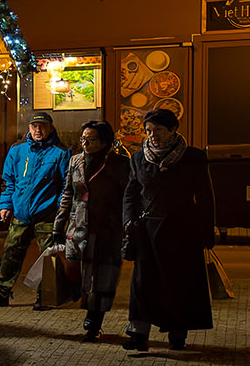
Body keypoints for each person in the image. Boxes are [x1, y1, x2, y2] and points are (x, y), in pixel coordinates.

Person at [121, 108, 215, 351]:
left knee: (178, 282)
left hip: (181, 230)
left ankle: (177, 333)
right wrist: (129, 221)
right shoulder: (139, 158)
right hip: (147, 230)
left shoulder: (192, 157)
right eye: (149, 131)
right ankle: (138, 333)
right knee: (142, 282)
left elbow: (205, 195)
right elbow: (131, 194)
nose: (153, 135)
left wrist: (206, 231)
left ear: (173, 129)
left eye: (159, 130)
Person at [0, 110, 72, 308]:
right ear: (29, 128)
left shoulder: (61, 152)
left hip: (47, 214)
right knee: (11, 251)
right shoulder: (17, 150)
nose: (38, 130)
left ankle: (46, 295)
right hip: (21, 212)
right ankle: (1, 292)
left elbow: (66, 186)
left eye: (42, 126)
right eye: (34, 126)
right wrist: (6, 205)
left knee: (48, 257)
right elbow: (9, 182)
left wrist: (59, 211)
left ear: (50, 128)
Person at [53, 121, 129, 342]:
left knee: (102, 277)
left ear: (104, 141)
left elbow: (127, 196)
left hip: (108, 227)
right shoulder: (75, 161)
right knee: (78, 272)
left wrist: (127, 227)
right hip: (79, 226)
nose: (85, 143)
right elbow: (68, 194)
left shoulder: (119, 164)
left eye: (91, 139)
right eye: (83, 138)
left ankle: (94, 320)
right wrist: (59, 224)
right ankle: (87, 308)